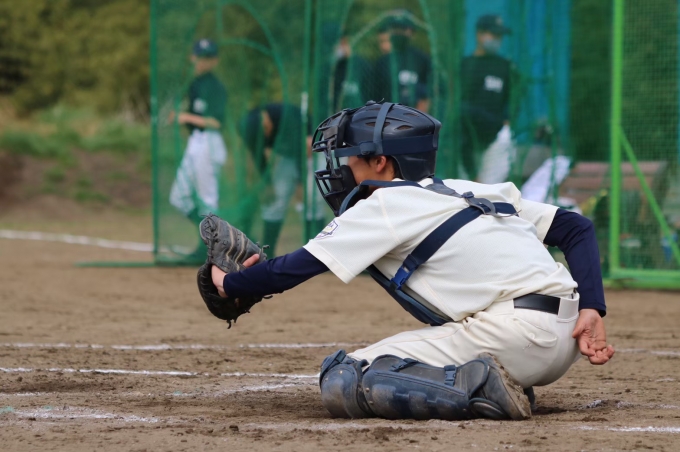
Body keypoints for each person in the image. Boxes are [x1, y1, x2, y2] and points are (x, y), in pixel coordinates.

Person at [212, 101, 614, 421]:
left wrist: (228, 284)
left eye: (350, 157)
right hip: (569, 336)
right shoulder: (466, 189)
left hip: (515, 336)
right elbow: (577, 228)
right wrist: (592, 307)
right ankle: (489, 380)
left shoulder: (384, 204)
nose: (343, 169)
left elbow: (294, 269)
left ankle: (479, 389)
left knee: (344, 377)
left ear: (380, 162)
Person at [169, 39, 228, 263]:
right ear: (193, 57)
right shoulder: (195, 83)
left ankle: (212, 250)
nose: (203, 61)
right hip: (196, 142)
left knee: (207, 199)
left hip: (209, 143)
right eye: (200, 56)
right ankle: (210, 241)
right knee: (179, 196)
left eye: (208, 57)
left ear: (215, 61)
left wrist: (185, 117)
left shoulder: (215, 86)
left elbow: (216, 122)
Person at [240, 103, 326, 255]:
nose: (267, 135)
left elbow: (304, 148)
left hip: (312, 150)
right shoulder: (248, 128)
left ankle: (317, 253)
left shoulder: (286, 116)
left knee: (310, 199)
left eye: (265, 129)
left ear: (265, 119)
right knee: (274, 201)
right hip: (289, 155)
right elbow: (258, 156)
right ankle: (268, 254)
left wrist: (300, 183)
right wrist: (267, 184)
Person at [460, 15, 515, 183]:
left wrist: (508, 119)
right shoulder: (464, 65)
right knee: (466, 189)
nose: (497, 40)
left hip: (495, 136)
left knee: (489, 189)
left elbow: (513, 100)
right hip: (466, 136)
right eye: (493, 34)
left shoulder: (505, 66)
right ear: (479, 34)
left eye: (500, 36)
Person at [372, 13, 432, 113]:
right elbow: (375, 94)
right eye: (396, 29)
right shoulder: (383, 61)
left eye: (403, 29)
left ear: (411, 32)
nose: (399, 33)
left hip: (415, 113)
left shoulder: (422, 59)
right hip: (388, 113)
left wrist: (421, 111)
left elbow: (429, 92)